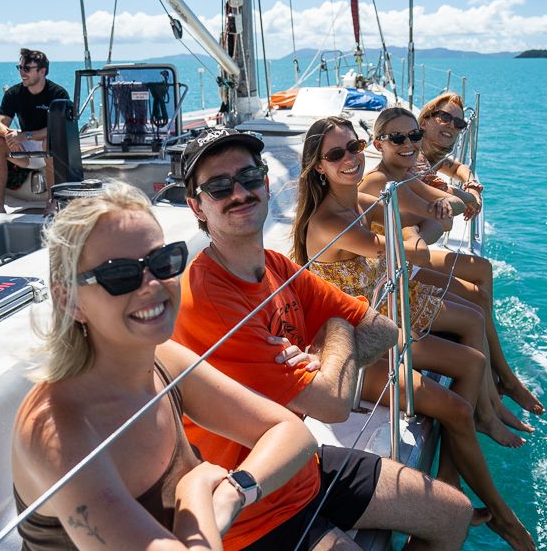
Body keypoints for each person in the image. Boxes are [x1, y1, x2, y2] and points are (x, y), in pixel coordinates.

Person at [174, 127, 477, 550]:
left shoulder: (276, 267)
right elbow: (332, 405)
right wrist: (335, 330)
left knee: (454, 514)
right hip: (249, 506)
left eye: (247, 177)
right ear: (197, 207)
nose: (238, 192)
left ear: (265, 182)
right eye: (219, 187)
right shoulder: (209, 297)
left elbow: (384, 330)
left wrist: (325, 347)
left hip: (306, 464)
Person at [11, 181, 318, 550]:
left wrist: (234, 492)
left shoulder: (162, 361)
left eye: (162, 262)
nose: (152, 285)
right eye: (120, 275)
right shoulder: (56, 430)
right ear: (70, 300)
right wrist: (196, 489)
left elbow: (293, 433)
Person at [292, 116, 536, 550]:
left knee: (472, 362)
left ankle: (449, 486)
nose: (349, 159)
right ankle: (500, 515)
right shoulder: (331, 220)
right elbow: (399, 244)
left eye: (353, 147)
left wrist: (440, 207)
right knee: (455, 409)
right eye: (335, 154)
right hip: (348, 355)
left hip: (376, 329)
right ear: (318, 167)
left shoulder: (361, 203)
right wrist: (443, 209)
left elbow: (410, 223)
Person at [361, 108, 545, 416]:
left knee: (478, 298)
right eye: (397, 138)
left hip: (400, 269)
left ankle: (497, 389)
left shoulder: (403, 176)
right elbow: (431, 226)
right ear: (378, 143)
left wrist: (450, 201)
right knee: (474, 306)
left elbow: (453, 205)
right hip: (388, 282)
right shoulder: (382, 182)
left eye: (413, 136)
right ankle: (494, 399)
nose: (408, 142)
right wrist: (445, 206)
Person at [0, 48, 69, 213]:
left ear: (42, 71)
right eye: (20, 68)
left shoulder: (58, 93)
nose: (22, 73)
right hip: (25, 150)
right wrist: (10, 136)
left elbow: (58, 128)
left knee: (50, 141)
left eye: (27, 69)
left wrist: (25, 136)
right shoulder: (14, 93)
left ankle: (52, 202)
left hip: (52, 151)